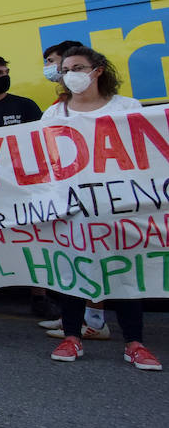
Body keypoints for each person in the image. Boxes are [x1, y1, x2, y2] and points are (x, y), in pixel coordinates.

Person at [45, 47, 159, 370]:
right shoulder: (54, 115)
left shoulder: (128, 108)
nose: (70, 75)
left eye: (77, 67)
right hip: (71, 210)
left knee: (124, 274)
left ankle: (134, 343)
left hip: (120, 208)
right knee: (71, 272)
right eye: (65, 69)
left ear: (97, 71)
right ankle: (72, 337)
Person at [0, 55, 58, 318]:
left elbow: (42, 142)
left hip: (23, 185)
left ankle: (39, 296)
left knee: (32, 239)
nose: (3, 76)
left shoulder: (24, 105)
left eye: (5, 71)